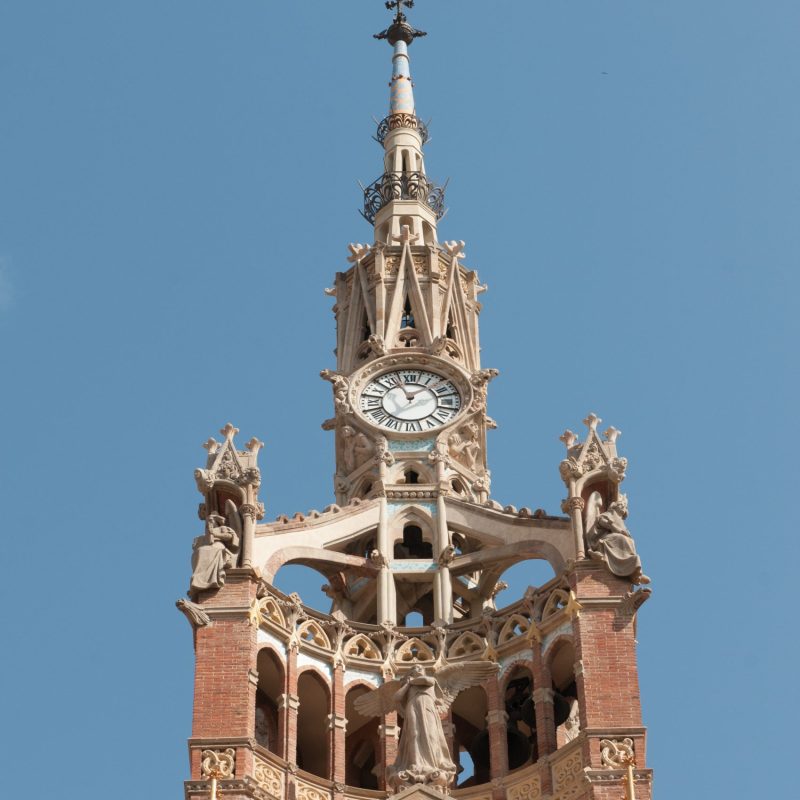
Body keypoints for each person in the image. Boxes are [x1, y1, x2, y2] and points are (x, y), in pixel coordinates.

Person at [189, 513, 240, 596]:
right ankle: (199, 578)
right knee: (200, 551)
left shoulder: (222, 528)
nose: (209, 523)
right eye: (208, 522)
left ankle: (213, 578)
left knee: (210, 551)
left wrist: (215, 534)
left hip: (218, 545)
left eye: (211, 521)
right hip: (209, 546)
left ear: (216, 522)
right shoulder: (205, 534)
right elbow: (205, 542)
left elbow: (229, 536)